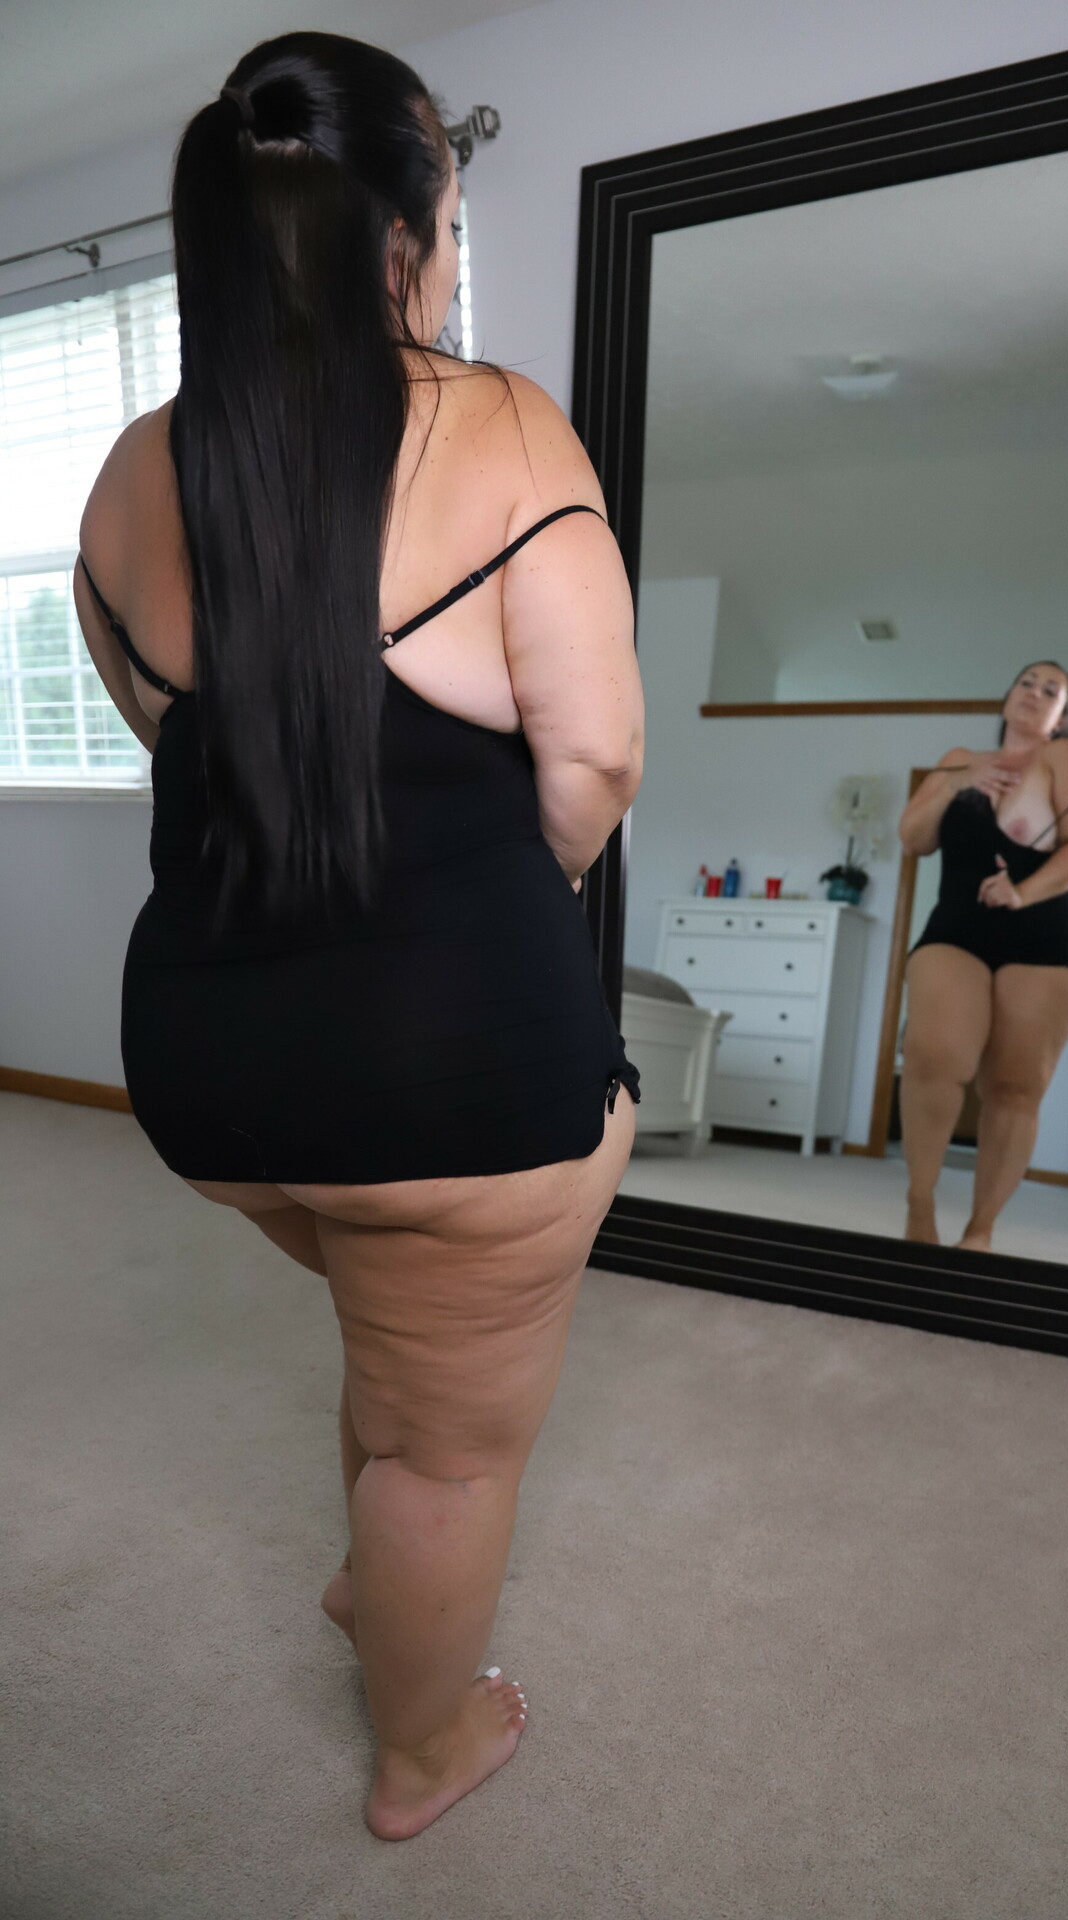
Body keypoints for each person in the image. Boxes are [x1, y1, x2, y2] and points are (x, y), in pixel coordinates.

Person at [73, 33, 644, 1842]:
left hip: (208, 1074)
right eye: (453, 219)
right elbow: (595, 762)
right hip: (449, 1075)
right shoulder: (503, 426)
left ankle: (372, 1573)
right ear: (405, 229)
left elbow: (176, 731)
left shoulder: (130, 471)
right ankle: (421, 1744)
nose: (457, 258)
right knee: (449, 1450)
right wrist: (526, 901)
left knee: (396, 1350)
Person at [895, 661, 1068, 1251]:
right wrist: (956, 784)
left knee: (1014, 1087)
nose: (1035, 693)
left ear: (1063, 716)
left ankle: (980, 1230)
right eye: (1027, 683)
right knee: (934, 1055)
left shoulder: (1064, 758)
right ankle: (919, 1205)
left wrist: (1022, 892)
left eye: (1051, 690)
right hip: (957, 927)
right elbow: (913, 838)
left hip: (1045, 936)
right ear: (1007, 696)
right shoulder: (959, 759)